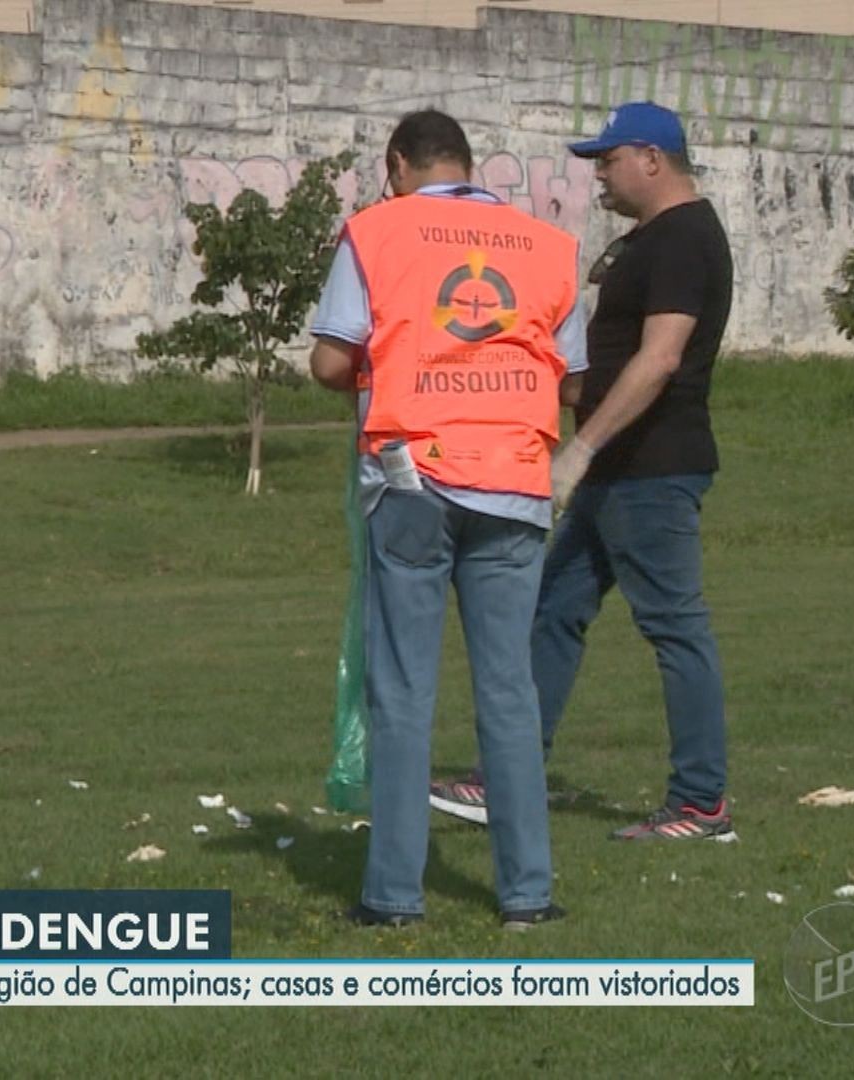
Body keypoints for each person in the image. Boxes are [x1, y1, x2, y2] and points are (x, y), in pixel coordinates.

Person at [428, 102, 737, 842]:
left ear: (653, 159)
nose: (597, 173)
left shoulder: (687, 238)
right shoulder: (648, 240)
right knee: (551, 611)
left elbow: (660, 359)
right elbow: (600, 364)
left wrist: (583, 447)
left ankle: (701, 805)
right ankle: (505, 778)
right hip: (616, 472)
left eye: (608, 159)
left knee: (673, 627)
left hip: (651, 471)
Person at [309, 110, 585, 929]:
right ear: (467, 164)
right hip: (515, 484)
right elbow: (571, 382)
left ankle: (394, 897)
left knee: (402, 694)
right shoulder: (547, 246)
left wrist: (388, 363)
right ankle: (528, 895)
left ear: (398, 164)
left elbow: (330, 359)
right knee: (510, 692)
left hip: (412, 483)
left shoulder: (376, 233)